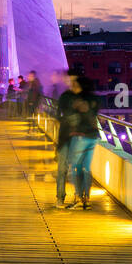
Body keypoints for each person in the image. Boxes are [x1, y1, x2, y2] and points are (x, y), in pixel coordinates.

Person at [65, 76, 101, 210]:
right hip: (93, 136)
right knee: (86, 168)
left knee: (74, 168)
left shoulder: (78, 99)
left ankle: (79, 197)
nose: (72, 86)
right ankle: (87, 199)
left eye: (74, 84)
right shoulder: (95, 99)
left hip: (81, 136)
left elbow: (73, 117)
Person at [54, 70, 81, 206]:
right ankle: (69, 196)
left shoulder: (66, 96)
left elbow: (58, 115)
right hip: (73, 137)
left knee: (63, 169)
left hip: (67, 136)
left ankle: (61, 198)